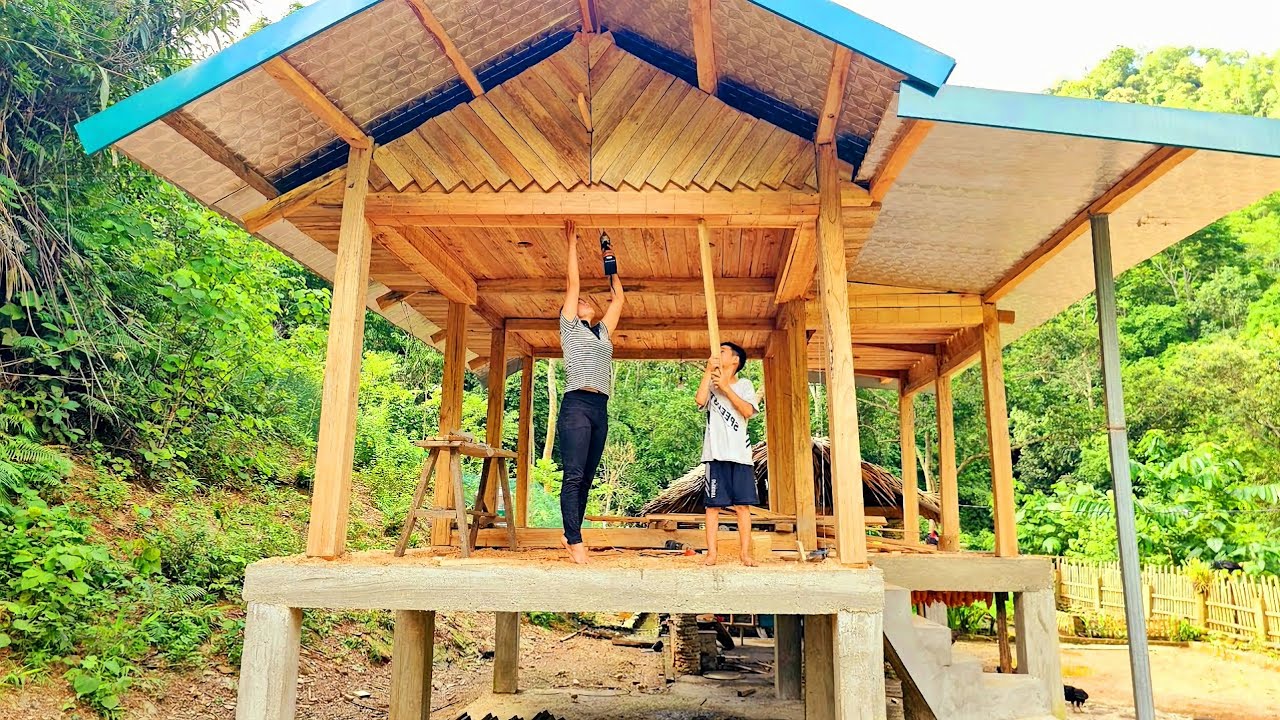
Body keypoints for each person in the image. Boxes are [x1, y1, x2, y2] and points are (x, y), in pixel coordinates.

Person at [557, 222, 624, 564]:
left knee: (587, 480)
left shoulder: (603, 333)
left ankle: (572, 535)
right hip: (576, 404)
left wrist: (609, 259)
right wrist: (572, 241)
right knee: (574, 475)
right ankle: (575, 539)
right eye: (577, 301)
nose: (581, 300)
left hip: (600, 407)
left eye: (586, 301)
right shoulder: (569, 327)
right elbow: (574, 283)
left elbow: (620, 297)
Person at [695, 341, 759, 566]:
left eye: (722, 351)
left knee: (743, 506)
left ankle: (745, 554)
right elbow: (700, 400)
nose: (716, 353)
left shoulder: (744, 385)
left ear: (735, 360)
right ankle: (712, 554)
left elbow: (748, 411)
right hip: (715, 455)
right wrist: (708, 372)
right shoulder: (711, 384)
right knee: (712, 507)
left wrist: (726, 387)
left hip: (740, 455)